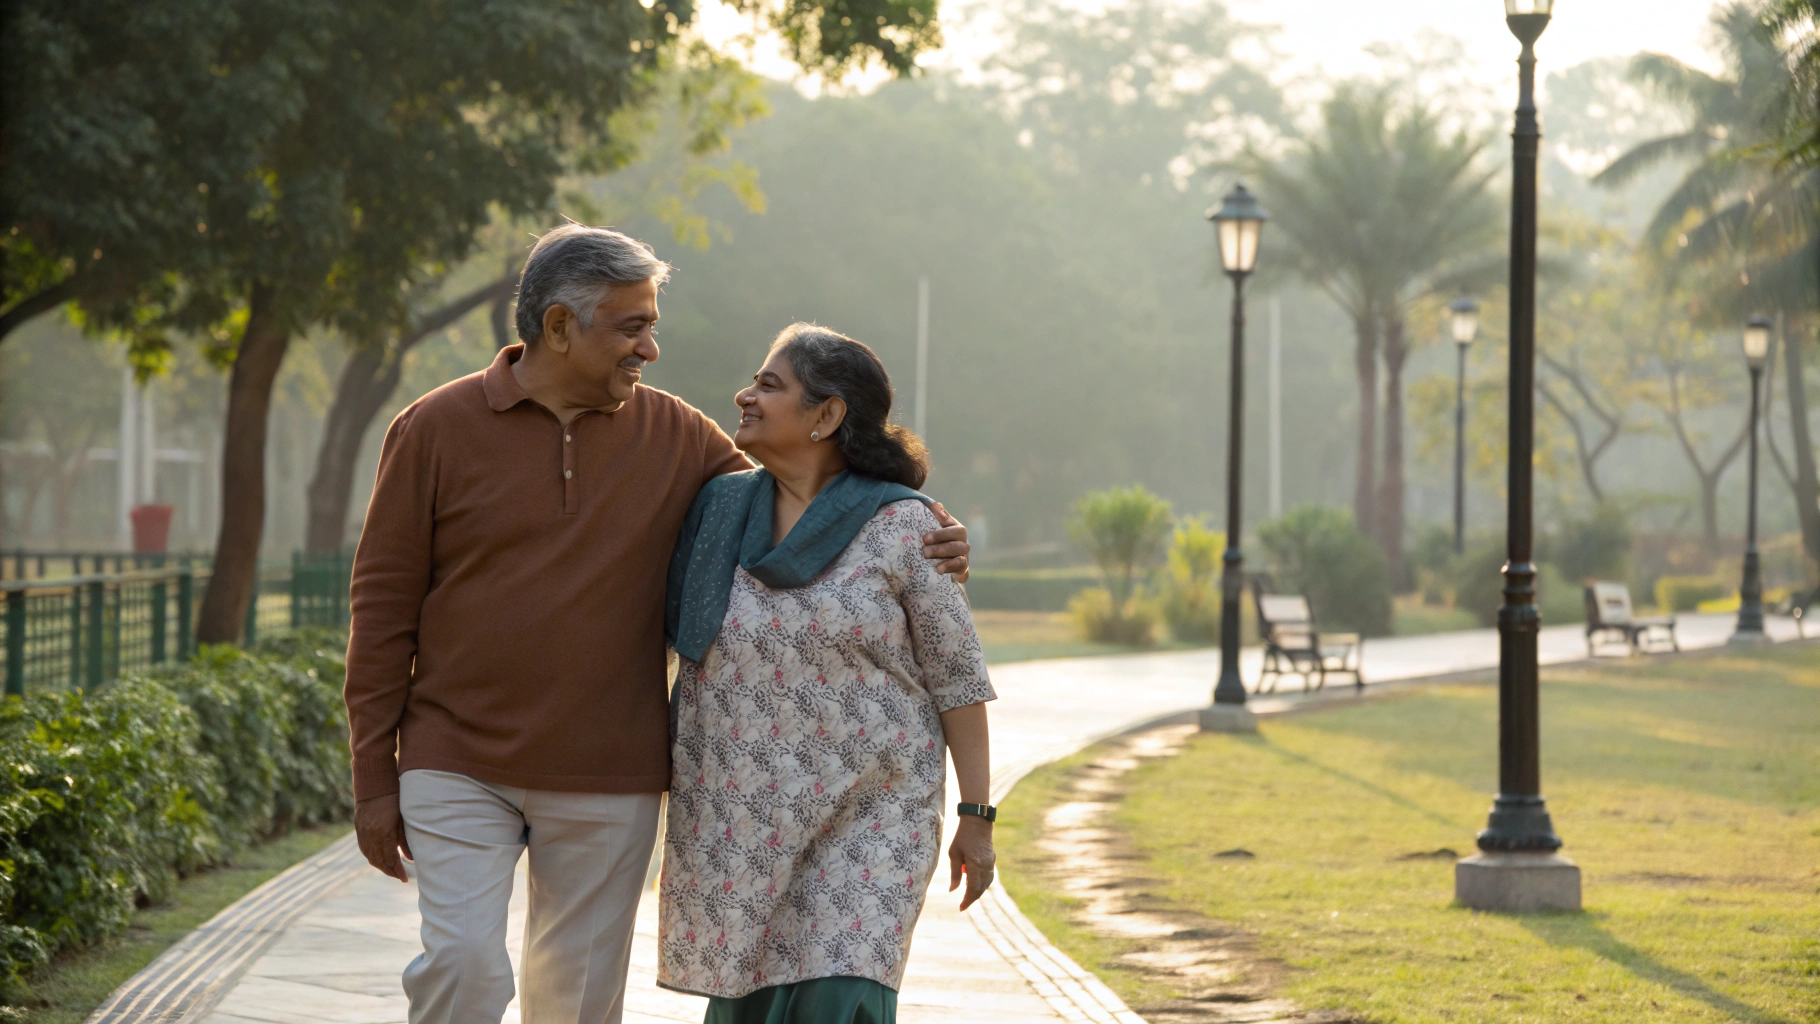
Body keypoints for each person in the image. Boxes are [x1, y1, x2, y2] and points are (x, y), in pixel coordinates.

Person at [343, 225, 972, 1024]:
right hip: (456, 757)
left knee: (574, 1003)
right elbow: (382, 609)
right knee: (465, 967)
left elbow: (806, 494)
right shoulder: (433, 429)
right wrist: (372, 779)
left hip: (610, 770)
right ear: (561, 327)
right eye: (632, 326)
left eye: (652, 323)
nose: (651, 348)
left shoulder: (677, 436)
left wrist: (921, 521)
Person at [659, 324, 997, 1024]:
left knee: (839, 1000)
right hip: (746, 821)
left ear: (828, 415)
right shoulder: (718, 511)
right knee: (754, 1007)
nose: (745, 396)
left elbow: (958, 681)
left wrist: (977, 815)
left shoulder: (906, 528)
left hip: (872, 818)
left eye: (770, 385)